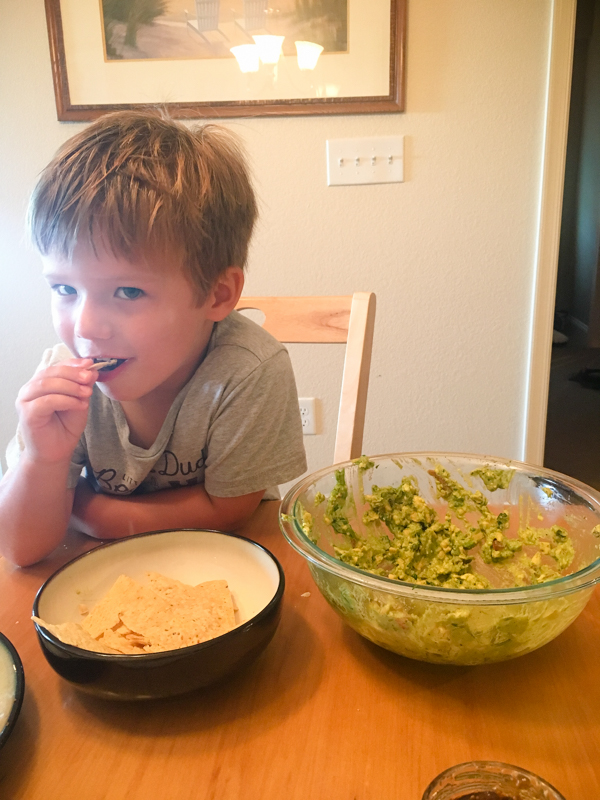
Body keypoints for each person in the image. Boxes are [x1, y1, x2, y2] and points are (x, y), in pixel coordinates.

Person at [0, 110, 307, 566]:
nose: (85, 327)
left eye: (128, 291)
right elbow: (20, 550)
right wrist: (42, 462)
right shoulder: (61, 379)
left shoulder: (247, 371)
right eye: (64, 289)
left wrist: (90, 513)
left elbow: (230, 510)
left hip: (225, 564)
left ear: (217, 295)